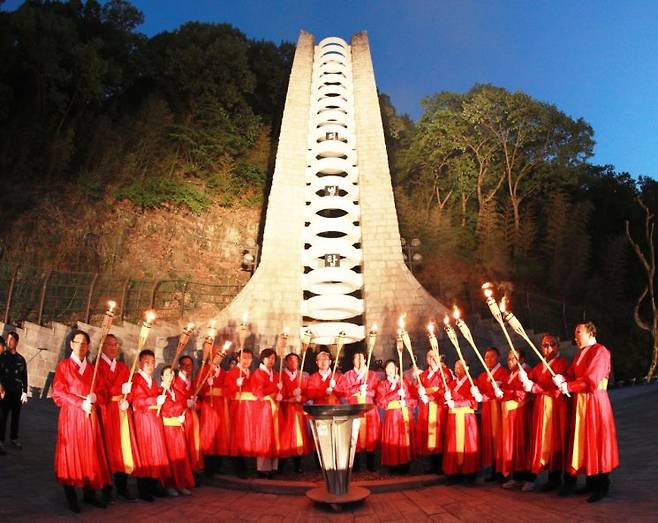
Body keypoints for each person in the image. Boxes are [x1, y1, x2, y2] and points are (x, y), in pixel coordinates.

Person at [554, 321, 619, 503]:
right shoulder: (581, 354)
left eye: (579, 332)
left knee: (597, 440)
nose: (576, 336)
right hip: (582, 402)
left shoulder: (600, 351)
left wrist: (569, 385)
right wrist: (563, 378)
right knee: (586, 441)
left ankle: (602, 484)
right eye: (575, 333)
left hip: (595, 401)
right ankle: (591, 482)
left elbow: (591, 380)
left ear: (590, 332)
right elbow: (572, 374)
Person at [52, 329, 110, 513]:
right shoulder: (64, 366)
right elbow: (59, 393)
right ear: (71, 344)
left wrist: (94, 397)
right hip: (71, 416)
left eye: (85, 343)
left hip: (89, 417)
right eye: (78, 343)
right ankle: (71, 496)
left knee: (89, 453)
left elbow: (103, 393)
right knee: (71, 453)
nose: (81, 347)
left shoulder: (92, 370)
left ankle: (89, 493)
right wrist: (79, 402)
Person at [521, 334, 570, 492]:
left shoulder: (562, 363)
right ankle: (550, 478)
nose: (548, 348)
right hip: (542, 409)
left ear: (558, 346)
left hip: (555, 408)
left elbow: (554, 388)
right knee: (544, 443)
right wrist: (524, 378)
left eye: (552, 344)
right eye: (545, 345)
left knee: (556, 441)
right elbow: (531, 378)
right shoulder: (540, 365)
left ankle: (559, 478)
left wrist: (534, 387)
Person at [95, 334, 139, 502]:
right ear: (103, 346)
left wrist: (127, 400)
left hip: (121, 411)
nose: (114, 348)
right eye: (110, 345)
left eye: (116, 345)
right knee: (107, 449)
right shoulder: (97, 367)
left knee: (122, 448)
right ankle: (107, 487)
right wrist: (119, 389)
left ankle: (122, 486)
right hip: (106, 411)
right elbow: (101, 389)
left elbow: (131, 390)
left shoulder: (123, 367)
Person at [127, 349, 171, 501]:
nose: (150, 365)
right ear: (140, 363)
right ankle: (143, 489)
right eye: (147, 362)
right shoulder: (136, 379)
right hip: (143, 420)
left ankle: (153, 485)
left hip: (154, 420)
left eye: (152, 362)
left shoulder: (152, 381)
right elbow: (137, 401)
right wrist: (154, 400)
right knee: (145, 453)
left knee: (155, 453)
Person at [338, 350, 381, 471]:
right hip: (354, 409)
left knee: (370, 436)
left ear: (366, 360)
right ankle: (355, 465)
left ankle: (370, 464)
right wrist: (357, 388)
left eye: (361, 358)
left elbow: (378, 392)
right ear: (353, 361)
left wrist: (367, 392)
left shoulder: (372, 374)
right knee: (354, 436)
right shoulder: (347, 375)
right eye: (356, 358)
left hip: (369, 410)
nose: (359, 360)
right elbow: (343, 391)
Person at [499, 349, 535, 491]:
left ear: (521, 359)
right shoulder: (511, 374)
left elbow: (522, 394)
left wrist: (505, 391)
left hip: (522, 412)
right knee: (515, 445)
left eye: (513, 359)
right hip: (512, 414)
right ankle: (518, 477)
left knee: (524, 444)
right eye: (508, 359)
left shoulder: (526, 372)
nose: (510, 362)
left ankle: (530, 478)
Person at [196, 344, 230, 480]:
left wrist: (219, 390)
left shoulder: (223, 372)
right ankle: (208, 467)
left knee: (219, 434)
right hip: (208, 407)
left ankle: (218, 465)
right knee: (208, 434)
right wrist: (206, 386)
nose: (217, 356)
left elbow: (228, 388)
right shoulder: (204, 370)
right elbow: (197, 388)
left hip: (220, 406)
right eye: (215, 353)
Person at [376, 358, 417, 473]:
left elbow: (413, 399)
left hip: (404, 414)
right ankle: (393, 465)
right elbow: (381, 401)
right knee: (393, 439)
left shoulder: (405, 382)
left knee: (404, 439)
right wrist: (395, 393)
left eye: (392, 368)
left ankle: (405, 465)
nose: (390, 370)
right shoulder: (382, 384)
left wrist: (406, 402)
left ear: (397, 369)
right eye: (387, 368)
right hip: (392, 416)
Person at [442, 360, 480, 485]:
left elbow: (472, 402)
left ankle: (469, 475)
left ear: (467, 368)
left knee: (468, 445)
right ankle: (454, 473)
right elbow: (447, 403)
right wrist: (446, 398)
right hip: (453, 418)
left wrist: (456, 403)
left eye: (461, 367)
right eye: (456, 367)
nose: (458, 370)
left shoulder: (472, 383)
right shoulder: (451, 384)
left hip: (466, 417)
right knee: (452, 444)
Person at [415, 349, 452, 474]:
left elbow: (444, 390)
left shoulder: (445, 373)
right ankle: (430, 464)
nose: (432, 359)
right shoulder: (423, 375)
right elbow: (417, 388)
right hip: (426, 407)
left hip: (438, 407)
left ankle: (440, 464)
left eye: (434, 356)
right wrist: (420, 392)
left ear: (439, 357)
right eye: (429, 357)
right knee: (427, 434)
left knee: (438, 433)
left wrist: (429, 395)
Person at [159, 366, 194, 496]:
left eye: (172, 374)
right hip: (167, 429)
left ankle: (180, 483)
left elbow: (182, 404)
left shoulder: (177, 392)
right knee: (171, 456)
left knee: (181, 455)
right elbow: (167, 409)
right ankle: (169, 485)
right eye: (167, 374)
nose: (170, 377)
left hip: (178, 428)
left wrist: (186, 406)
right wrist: (180, 408)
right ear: (162, 376)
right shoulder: (160, 391)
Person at [475, 346, 508, 481]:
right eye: (486, 357)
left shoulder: (503, 373)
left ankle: (502, 471)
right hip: (487, 412)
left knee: (500, 439)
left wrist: (485, 396)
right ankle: (493, 469)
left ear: (498, 357)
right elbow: (479, 391)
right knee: (490, 440)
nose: (488, 359)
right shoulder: (483, 376)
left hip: (499, 410)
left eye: (492, 356)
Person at [278, 353, 312, 473]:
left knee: (299, 437)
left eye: (295, 361)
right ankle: (280, 465)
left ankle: (298, 465)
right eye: (290, 360)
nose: (293, 363)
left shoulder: (302, 376)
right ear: (286, 362)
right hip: (285, 410)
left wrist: (301, 398)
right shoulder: (280, 376)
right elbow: (278, 393)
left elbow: (308, 394)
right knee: (284, 437)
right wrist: (287, 397)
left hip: (298, 411)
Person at [224, 348, 255, 478]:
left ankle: (246, 465)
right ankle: (238, 468)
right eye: (244, 357)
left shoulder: (251, 373)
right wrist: (236, 385)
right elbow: (226, 392)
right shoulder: (232, 373)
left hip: (249, 409)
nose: (247, 360)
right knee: (237, 436)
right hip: (237, 408)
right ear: (238, 358)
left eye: (249, 358)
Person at [173, 355, 203, 473]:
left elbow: (198, 400)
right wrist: (185, 403)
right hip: (181, 417)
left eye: (189, 365)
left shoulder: (193, 382)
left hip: (192, 417)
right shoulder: (175, 381)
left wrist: (196, 404)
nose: (187, 367)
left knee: (193, 445)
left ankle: (192, 472)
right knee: (183, 446)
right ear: (179, 366)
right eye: (184, 365)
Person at [0, 331, 28, 451]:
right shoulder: (2, 356)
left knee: (16, 417)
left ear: (16, 342)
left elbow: (24, 376)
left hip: (16, 393)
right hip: (4, 392)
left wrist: (25, 391)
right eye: (8, 339)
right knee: (2, 418)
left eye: (11, 339)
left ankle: (14, 438)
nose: (8, 342)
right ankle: (1, 440)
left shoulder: (21, 359)